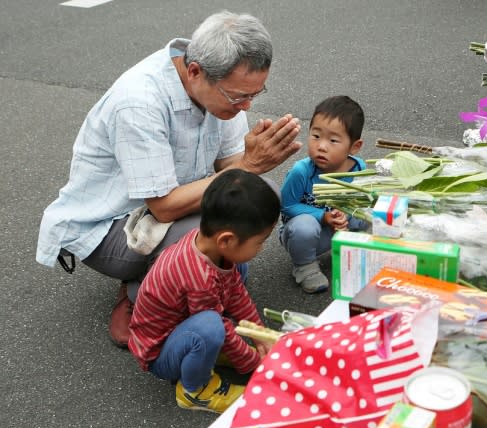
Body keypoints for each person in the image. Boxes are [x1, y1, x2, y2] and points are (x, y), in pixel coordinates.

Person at [35, 11, 301, 347]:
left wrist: (252, 159)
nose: (246, 105)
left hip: (169, 205)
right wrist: (247, 166)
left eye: (255, 94)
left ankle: (180, 282)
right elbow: (163, 207)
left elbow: (230, 164)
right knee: (207, 235)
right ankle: (140, 292)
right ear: (194, 72)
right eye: (238, 97)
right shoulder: (139, 102)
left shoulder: (220, 86)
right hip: (113, 226)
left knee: (260, 197)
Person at [128, 169, 277, 413]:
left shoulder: (208, 246)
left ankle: (207, 354)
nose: (261, 248)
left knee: (236, 276)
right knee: (211, 327)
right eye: (259, 242)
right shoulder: (198, 276)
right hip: (160, 352)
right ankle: (195, 390)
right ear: (226, 240)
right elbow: (220, 326)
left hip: (182, 327)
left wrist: (259, 334)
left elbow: (235, 292)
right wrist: (253, 364)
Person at [279, 96, 369, 293]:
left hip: (338, 228)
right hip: (306, 233)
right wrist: (323, 216)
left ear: (354, 146)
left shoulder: (359, 168)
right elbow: (287, 205)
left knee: (369, 211)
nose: (321, 146)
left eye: (333, 140)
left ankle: (355, 250)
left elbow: (359, 200)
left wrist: (346, 214)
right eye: (316, 136)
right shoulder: (301, 171)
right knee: (304, 227)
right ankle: (305, 267)